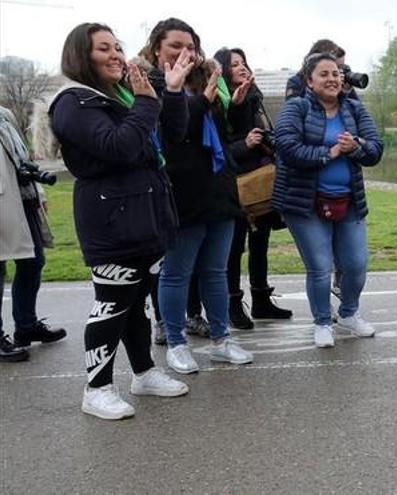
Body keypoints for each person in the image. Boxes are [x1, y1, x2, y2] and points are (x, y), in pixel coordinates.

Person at [49, 23, 193, 419]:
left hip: (146, 214)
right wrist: (147, 102)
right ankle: (96, 388)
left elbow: (173, 136)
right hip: (110, 219)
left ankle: (143, 373)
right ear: (82, 56)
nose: (115, 54)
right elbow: (120, 147)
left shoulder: (121, 95)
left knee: (136, 301)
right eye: (103, 49)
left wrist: (174, 91)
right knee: (112, 303)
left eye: (117, 47)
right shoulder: (73, 101)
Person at [139, 18, 253, 374]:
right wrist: (203, 101)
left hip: (218, 191)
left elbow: (224, 136)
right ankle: (176, 342)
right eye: (175, 45)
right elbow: (175, 135)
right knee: (176, 273)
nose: (185, 53)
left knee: (216, 272)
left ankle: (221, 340)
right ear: (157, 47)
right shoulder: (148, 85)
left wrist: (234, 103)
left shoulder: (205, 81)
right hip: (180, 194)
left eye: (190, 46)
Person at [272, 53, 383, 348]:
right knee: (320, 267)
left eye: (336, 73)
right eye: (324, 74)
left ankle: (348, 313)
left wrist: (355, 146)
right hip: (305, 203)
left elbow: (375, 149)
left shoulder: (355, 109)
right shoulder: (296, 108)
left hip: (348, 202)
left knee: (356, 265)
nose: (332, 79)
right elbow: (285, 146)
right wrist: (329, 152)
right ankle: (322, 322)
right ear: (309, 80)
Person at [214, 47, 293, 329]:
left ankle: (261, 300)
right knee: (234, 249)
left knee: (260, 243)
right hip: (235, 183)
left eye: (243, 62)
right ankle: (234, 305)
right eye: (234, 64)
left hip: (261, 181)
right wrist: (244, 144)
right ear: (223, 70)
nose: (241, 67)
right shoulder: (219, 101)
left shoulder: (254, 96)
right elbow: (219, 146)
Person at [0, 107, 66, 361]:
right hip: (5, 202)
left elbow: (22, 158)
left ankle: (26, 326)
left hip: (22, 199)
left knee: (33, 262)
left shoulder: (6, 114)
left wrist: (39, 191)